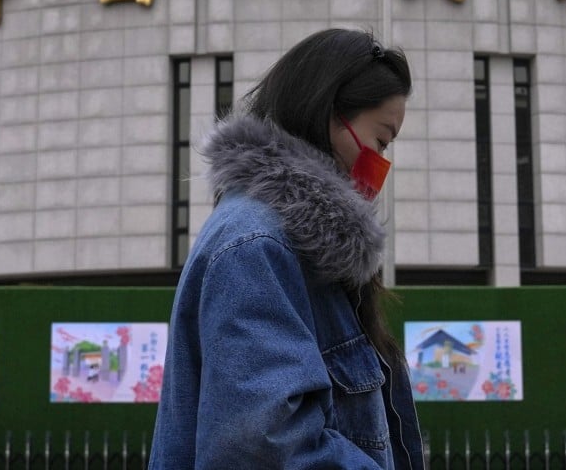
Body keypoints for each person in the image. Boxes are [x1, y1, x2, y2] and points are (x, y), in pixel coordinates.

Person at [150, 29, 424, 469]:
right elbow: (266, 445)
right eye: (381, 141)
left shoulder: (290, 246)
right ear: (332, 115)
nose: (380, 164)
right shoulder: (257, 247)